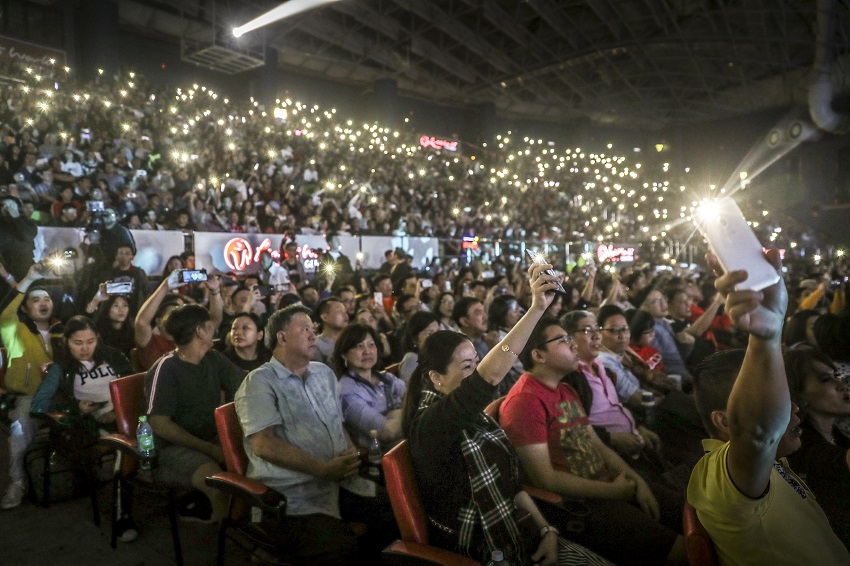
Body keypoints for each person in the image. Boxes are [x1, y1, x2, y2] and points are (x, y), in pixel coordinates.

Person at [402, 262, 610, 565]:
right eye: (467, 367)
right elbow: (488, 377)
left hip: (523, 530)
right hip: (481, 546)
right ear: (436, 378)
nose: (476, 372)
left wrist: (547, 530)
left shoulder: (478, 420)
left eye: (477, 362)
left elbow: (510, 485)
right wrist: (536, 309)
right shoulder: (431, 425)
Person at [687, 250, 849, 565]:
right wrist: (766, 338)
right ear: (725, 421)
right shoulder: (722, 476)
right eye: (780, 399)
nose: (795, 408)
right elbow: (758, 430)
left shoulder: (775, 464)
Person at [499, 317, 687, 565]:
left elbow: (597, 444)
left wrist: (637, 481)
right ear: (538, 355)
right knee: (682, 552)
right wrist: (614, 492)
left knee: (692, 512)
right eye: (563, 340)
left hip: (610, 483)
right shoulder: (525, 402)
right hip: (580, 504)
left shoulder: (566, 390)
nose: (573, 344)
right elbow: (545, 479)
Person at [234, 305, 389, 564]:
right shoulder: (259, 382)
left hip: (338, 479)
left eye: (313, 329)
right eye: (305, 329)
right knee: (343, 549)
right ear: (282, 337)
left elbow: (337, 423)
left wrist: (350, 453)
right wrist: (322, 469)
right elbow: (263, 443)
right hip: (290, 495)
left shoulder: (323, 373)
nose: (313, 334)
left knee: (391, 510)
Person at [30, 316, 138, 540]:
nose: (85, 348)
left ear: (97, 338)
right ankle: (122, 513)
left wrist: (118, 412)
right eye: (77, 343)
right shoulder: (61, 368)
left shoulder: (114, 356)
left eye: (90, 341)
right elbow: (39, 404)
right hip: (91, 423)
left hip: (123, 416)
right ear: (67, 342)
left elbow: (133, 387)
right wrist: (76, 407)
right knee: (124, 448)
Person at [145, 304, 246, 522]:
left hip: (209, 438)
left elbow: (245, 383)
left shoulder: (212, 358)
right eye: (210, 325)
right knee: (219, 486)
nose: (214, 328)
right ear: (200, 331)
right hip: (171, 449)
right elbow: (159, 423)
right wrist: (210, 449)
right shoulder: (166, 369)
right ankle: (229, 535)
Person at [0, 262, 55, 509]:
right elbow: (5, 312)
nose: (43, 303)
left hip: (61, 396)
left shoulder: (62, 331)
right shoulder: (15, 329)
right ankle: (17, 483)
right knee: (19, 434)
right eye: (36, 299)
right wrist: (30, 278)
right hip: (30, 397)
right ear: (24, 306)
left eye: (47, 298)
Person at [784, 347, 850, 551]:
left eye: (836, 376)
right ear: (799, 396)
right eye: (826, 379)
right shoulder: (800, 446)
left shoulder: (835, 435)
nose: (841, 385)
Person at [332, 323, 405, 450]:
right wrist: (406, 413)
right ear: (343, 354)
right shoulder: (347, 391)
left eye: (371, 345)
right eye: (359, 346)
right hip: (380, 455)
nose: (367, 351)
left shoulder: (386, 377)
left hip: (406, 442)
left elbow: (413, 398)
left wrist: (396, 415)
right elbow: (387, 432)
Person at [396, 311, 439, 383]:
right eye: (429, 334)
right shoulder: (412, 359)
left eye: (438, 331)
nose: (437, 337)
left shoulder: (438, 355)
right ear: (415, 339)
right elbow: (409, 388)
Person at [92, 293, 135, 359]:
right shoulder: (98, 331)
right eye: (116, 305)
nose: (121, 310)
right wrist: (95, 300)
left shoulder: (132, 332)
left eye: (125, 305)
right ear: (107, 308)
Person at [312, 297, 348, 364]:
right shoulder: (316, 345)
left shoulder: (351, 341)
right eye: (339, 311)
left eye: (345, 311)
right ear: (325, 317)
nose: (345, 314)